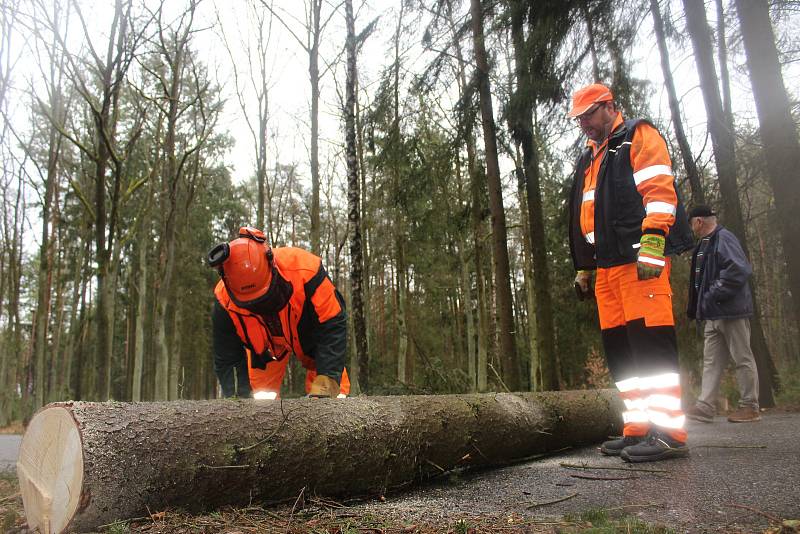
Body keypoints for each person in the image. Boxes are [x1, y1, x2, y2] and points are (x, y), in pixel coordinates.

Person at [567, 83, 694, 462]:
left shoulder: (637, 136)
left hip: (638, 262)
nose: (584, 124)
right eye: (579, 119)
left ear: (608, 107)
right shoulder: (590, 158)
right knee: (622, 352)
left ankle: (670, 433)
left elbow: (659, 189)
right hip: (605, 266)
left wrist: (654, 240)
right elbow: (584, 215)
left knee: (650, 345)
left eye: (589, 115)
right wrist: (585, 266)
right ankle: (637, 427)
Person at [207, 226, 350, 399]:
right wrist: (239, 402)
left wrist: (327, 383)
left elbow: (333, 324)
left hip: (312, 339)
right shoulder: (224, 300)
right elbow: (228, 358)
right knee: (258, 399)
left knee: (333, 392)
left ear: (271, 262)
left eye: (263, 298)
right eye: (252, 303)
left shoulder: (306, 271)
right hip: (265, 351)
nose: (260, 306)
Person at [685, 205, 760, 423]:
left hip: (731, 311)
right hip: (712, 314)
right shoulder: (703, 245)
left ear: (698, 221)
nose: (692, 228)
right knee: (711, 361)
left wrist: (713, 293)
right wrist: (703, 304)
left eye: (692, 223)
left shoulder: (723, 238)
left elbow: (739, 269)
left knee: (742, 358)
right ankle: (705, 406)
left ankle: (750, 406)